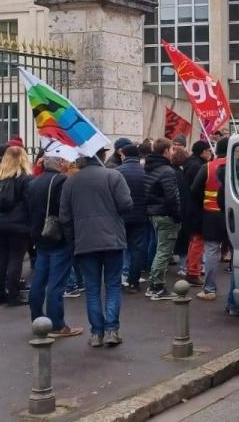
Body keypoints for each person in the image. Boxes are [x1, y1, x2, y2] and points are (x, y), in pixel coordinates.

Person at [60, 154, 133, 348]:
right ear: (101, 155)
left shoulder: (71, 182)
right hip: (112, 239)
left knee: (92, 289)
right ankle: (112, 330)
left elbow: (64, 216)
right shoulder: (113, 176)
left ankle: (96, 333)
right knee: (113, 285)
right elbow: (127, 204)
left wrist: (73, 240)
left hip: (84, 241)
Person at [25, 155, 82, 338]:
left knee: (39, 280)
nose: (68, 164)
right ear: (60, 163)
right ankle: (57, 324)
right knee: (56, 282)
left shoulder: (34, 182)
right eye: (66, 161)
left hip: (39, 234)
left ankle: (37, 318)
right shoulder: (61, 182)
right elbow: (66, 210)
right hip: (58, 236)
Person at [0, 146, 34, 307]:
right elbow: (30, 203)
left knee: (1, 258)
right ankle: (13, 294)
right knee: (16, 258)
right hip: (19, 224)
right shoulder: (26, 179)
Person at [191, 138, 231, 299]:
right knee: (238, 254)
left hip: (211, 214)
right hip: (234, 214)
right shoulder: (237, 166)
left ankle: (209, 289)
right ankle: (236, 295)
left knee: (211, 252)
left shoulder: (207, 167)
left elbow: (194, 190)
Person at [144, 138, 182, 300]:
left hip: (154, 213)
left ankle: (155, 284)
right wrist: (177, 216)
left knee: (160, 249)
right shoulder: (166, 170)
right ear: (166, 151)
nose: (173, 152)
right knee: (164, 252)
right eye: (172, 149)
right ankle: (156, 287)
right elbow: (171, 197)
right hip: (165, 214)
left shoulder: (150, 168)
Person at [115, 143, 150, 293]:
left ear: (125, 156)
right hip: (140, 216)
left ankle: (119, 278)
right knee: (137, 249)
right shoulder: (145, 172)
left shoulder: (117, 172)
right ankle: (133, 282)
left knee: (120, 248)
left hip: (121, 216)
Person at [180, 141, 212, 288]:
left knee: (194, 239)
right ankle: (193, 272)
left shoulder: (190, 163)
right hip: (196, 207)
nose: (210, 154)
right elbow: (198, 189)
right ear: (202, 152)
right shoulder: (197, 166)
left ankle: (191, 268)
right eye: (208, 151)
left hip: (189, 206)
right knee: (198, 240)